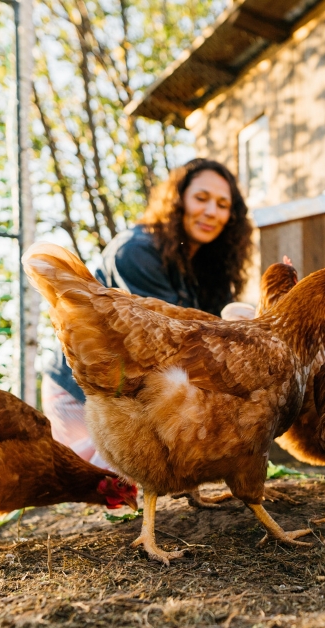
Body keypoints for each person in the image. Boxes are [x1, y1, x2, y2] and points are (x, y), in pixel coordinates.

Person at [41, 158, 254, 467]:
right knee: (103, 489)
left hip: (135, 394)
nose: (211, 212)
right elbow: (167, 350)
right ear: (178, 201)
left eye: (223, 205)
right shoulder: (137, 252)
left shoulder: (211, 267)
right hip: (85, 392)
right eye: (201, 198)